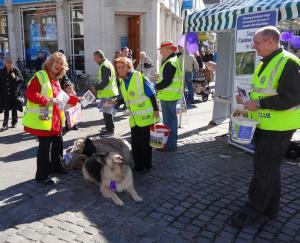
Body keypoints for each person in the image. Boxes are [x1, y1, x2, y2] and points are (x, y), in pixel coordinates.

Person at [232, 26, 300, 228]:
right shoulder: (267, 61)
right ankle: (270, 208)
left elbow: (292, 97)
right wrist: (248, 99)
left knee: (263, 170)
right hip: (266, 124)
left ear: (271, 41)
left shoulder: (288, 62)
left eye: (257, 42)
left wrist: (259, 104)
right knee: (270, 170)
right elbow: (265, 92)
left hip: (278, 128)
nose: (254, 45)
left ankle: (253, 211)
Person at [22, 52, 79, 185]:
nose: (58, 66)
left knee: (58, 144)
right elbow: (30, 94)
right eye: (56, 62)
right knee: (44, 148)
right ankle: (41, 175)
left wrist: (76, 99)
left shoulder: (57, 80)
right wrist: (46, 100)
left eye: (61, 64)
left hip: (55, 120)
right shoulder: (40, 75)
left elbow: (61, 99)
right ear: (50, 62)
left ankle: (56, 167)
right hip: (44, 120)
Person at [115, 57, 159, 173]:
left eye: (123, 66)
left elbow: (151, 93)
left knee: (145, 143)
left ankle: (147, 165)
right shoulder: (122, 80)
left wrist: (156, 109)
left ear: (129, 66)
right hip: (134, 117)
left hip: (145, 115)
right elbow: (127, 98)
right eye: (118, 68)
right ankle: (138, 165)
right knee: (135, 143)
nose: (120, 69)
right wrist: (117, 102)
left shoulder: (139, 76)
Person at [155, 40, 182, 151]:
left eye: (161, 50)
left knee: (169, 122)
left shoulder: (170, 62)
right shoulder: (173, 60)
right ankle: (172, 144)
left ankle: (170, 145)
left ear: (167, 50)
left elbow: (167, 81)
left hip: (168, 96)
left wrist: (156, 86)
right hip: (171, 95)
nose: (161, 52)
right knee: (172, 121)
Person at [93, 50, 119, 136]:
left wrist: (96, 87)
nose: (94, 60)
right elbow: (104, 80)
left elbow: (105, 81)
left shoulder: (104, 65)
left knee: (107, 112)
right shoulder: (106, 64)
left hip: (108, 94)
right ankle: (108, 128)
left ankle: (110, 130)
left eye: (95, 58)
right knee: (107, 112)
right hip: (109, 93)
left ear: (99, 57)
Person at [0, 56, 23, 131]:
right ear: (5, 63)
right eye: (7, 62)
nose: (9, 64)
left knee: (14, 109)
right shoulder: (1, 71)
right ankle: (5, 124)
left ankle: (14, 122)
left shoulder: (16, 70)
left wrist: (15, 77)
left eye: (10, 62)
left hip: (14, 93)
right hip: (5, 94)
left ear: (12, 63)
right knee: (6, 109)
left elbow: (22, 81)